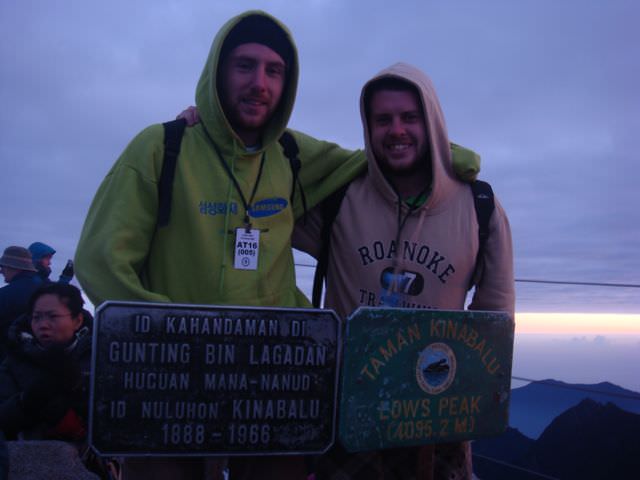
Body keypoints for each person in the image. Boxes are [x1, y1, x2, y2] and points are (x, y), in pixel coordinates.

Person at [292, 63, 515, 479]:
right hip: (347, 414)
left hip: (436, 418)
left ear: (432, 121)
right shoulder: (341, 197)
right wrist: (207, 128)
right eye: (383, 120)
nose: (396, 130)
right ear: (368, 127)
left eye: (410, 117)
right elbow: (262, 211)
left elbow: (495, 321)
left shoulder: (479, 207)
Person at [0, 283, 92, 444]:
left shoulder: (98, 357)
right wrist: (27, 401)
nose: (43, 325)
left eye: (53, 316)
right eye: (37, 317)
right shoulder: (14, 360)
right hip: (25, 462)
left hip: (90, 465)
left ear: (77, 321)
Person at [0, 247, 43, 360]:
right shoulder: (46, 291)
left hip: (8, 362)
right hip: (41, 361)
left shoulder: (4, 295)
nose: (1, 271)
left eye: (2, 266)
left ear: (13, 267)